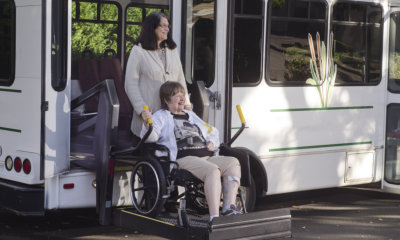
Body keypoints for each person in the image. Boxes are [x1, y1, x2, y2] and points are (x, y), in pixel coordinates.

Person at [141, 81, 242, 222]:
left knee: (233, 162)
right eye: (176, 95)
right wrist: (147, 123)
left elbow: (211, 130)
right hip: (183, 159)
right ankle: (214, 217)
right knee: (213, 171)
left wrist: (213, 142)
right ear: (166, 99)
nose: (182, 98)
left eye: (183, 94)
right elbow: (150, 137)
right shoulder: (161, 116)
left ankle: (228, 207)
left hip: (206, 156)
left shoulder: (190, 115)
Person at [125, 12, 192, 137]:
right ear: (152, 27)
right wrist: (141, 110)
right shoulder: (138, 51)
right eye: (163, 26)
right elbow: (130, 84)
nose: (167, 29)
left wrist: (187, 104)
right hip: (149, 117)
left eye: (168, 26)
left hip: (172, 115)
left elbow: (180, 80)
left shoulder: (172, 50)